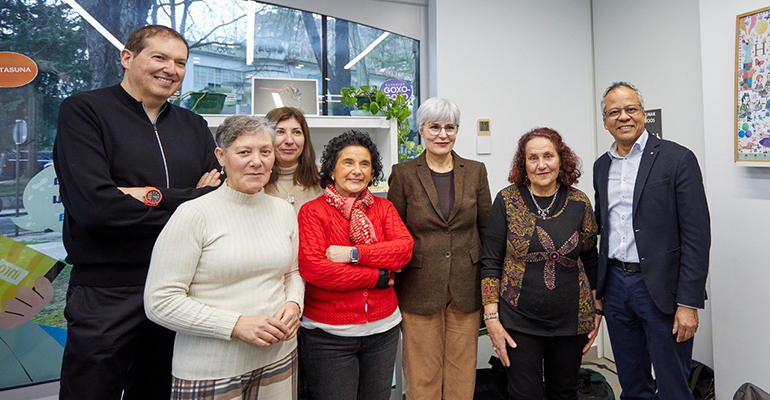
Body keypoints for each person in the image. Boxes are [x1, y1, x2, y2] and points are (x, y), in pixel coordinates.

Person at [53, 25, 221, 400]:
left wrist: (147, 195)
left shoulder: (193, 126)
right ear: (127, 58)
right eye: (159, 57)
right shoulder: (84, 112)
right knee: (91, 391)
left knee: (159, 390)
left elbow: (215, 202)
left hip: (176, 285)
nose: (171, 69)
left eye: (180, 62)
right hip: (106, 290)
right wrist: (188, 198)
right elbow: (96, 208)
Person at [144, 115, 303, 400]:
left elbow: (292, 273)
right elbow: (159, 302)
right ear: (221, 156)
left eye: (265, 151)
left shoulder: (283, 211)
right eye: (244, 152)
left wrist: (293, 303)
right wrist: (236, 325)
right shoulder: (193, 215)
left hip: (278, 357)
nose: (257, 161)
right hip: (211, 369)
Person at [593, 81, 710, 400]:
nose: (623, 117)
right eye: (614, 112)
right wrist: (599, 288)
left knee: (674, 383)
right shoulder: (601, 166)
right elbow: (603, 229)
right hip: (616, 286)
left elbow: (697, 236)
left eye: (630, 109)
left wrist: (688, 302)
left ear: (644, 114)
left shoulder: (677, 159)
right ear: (605, 121)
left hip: (662, 289)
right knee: (631, 382)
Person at [480, 127, 600, 400]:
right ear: (523, 164)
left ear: (562, 160)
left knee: (565, 393)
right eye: (532, 158)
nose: (541, 165)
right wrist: (492, 319)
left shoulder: (579, 202)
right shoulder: (507, 201)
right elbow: (490, 262)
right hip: (518, 320)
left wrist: (597, 310)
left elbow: (591, 257)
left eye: (548, 156)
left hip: (571, 320)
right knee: (525, 395)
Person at [387, 97, 491, 399]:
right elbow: (396, 232)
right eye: (434, 127)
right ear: (421, 130)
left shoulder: (475, 171)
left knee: (462, 371)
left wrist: (490, 287)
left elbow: (487, 229)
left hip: (465, 286)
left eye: (449, 127)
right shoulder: (404, 173)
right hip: (418, 286)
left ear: (457, 130)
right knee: (422, 375)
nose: (442, 134)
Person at [297, 130, 413, 400]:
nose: (357, 171)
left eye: (365, 164)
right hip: (329, 335)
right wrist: (378, 277)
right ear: (332, 169)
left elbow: (403, 251)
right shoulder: (313, 212)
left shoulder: (383, 208)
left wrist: (353, 254)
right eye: (348, 162)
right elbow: (316, 269)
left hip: (383, 331)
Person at [265, 107, 323, 213]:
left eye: (296, 132)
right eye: (280, 132)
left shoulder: (324, 179)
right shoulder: (255, 181)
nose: (289, 141)